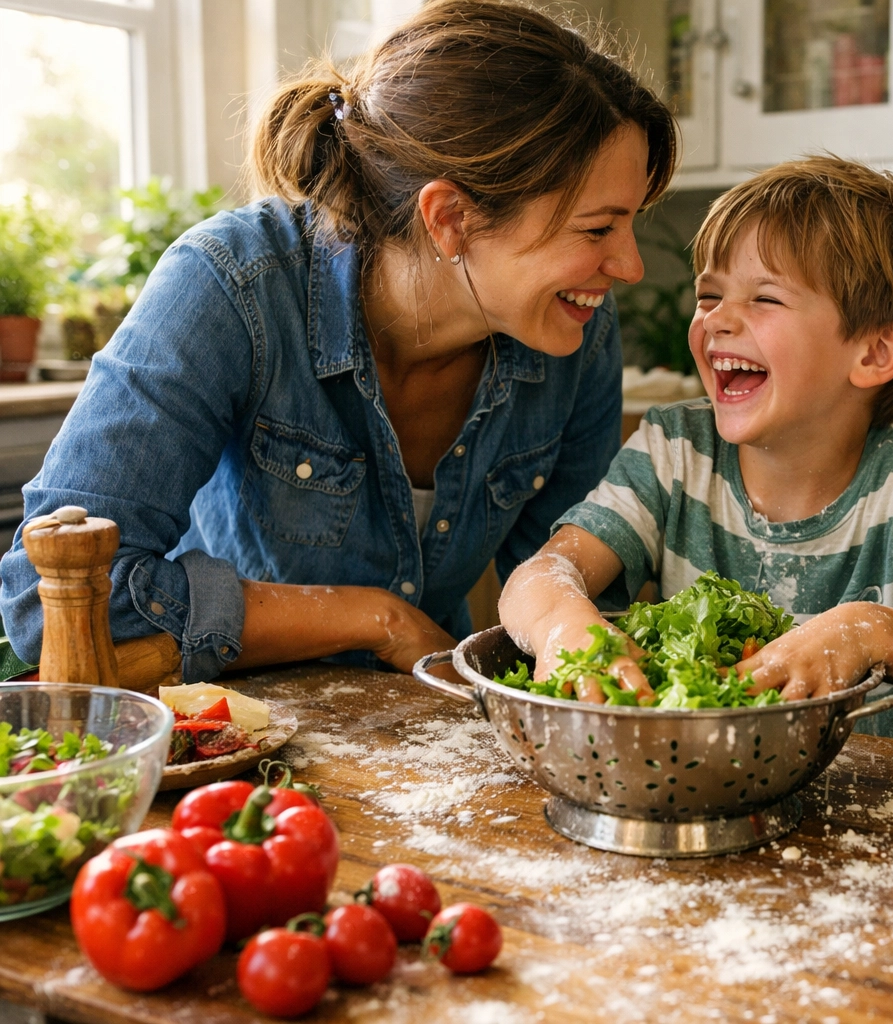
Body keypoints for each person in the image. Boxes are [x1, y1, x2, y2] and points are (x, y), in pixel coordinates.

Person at [0, 1, 677, 681]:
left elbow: (566, 585)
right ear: (451, 219)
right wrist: (375, 618)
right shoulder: (233, 285)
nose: (629, 267)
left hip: (427, 727)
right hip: (230, 728)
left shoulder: (572, 330)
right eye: (597, 230)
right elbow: (45, 599)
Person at [498, 157, 893, 739]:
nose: (717, 319)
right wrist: (567, 628)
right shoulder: (675, 450)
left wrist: (869, 629)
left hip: (868, 807)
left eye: (765, 299)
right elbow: (540, 578)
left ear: (874, 353)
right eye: (709, 295)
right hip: (692, 791)